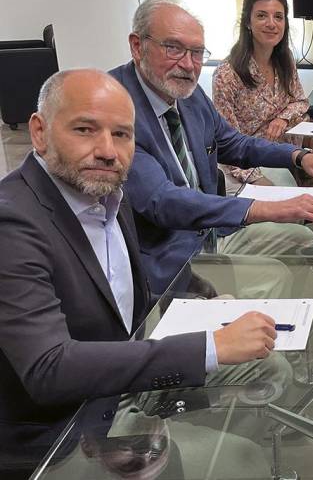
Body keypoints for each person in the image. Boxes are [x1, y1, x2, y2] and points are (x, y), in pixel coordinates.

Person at [0, 69, 280, 478]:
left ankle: (182, 440)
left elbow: (122, 293)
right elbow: (50, 368)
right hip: (61, 431)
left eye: (122, 135)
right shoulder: (13, 221)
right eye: (85, 129)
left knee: (271, 370)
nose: (108, 150)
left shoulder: (107, 191)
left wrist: (203, 299)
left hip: (120, 389)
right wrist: (211, 345)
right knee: (244, 461)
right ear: (40, 132)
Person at [109, 0, 313, 295]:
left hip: (210, 232)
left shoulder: (188, 95)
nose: (188, 64)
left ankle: (252, 311)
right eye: (174, 48)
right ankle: (231, 320)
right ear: (138, 46)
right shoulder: (115, 108)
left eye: (196, 53)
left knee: (303, 239)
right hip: (171, 254)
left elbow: (235, 144)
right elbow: (163, 202)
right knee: (273, 275)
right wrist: (265, 208)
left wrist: (298, 156)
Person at [213, 0, 309, 193]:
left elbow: (300, 102)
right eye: (262, 16)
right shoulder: (226, 75)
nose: (271, 24)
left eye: (278, 17)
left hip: (287, 155)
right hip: (247, 165)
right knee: (288, 199)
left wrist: (282, 118)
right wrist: (257, 180)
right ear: (248, 22)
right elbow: (226, 143)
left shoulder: (285, 61)